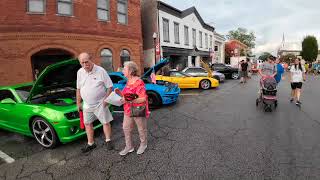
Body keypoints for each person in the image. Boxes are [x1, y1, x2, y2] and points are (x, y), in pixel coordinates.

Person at [76, 52, 114, 153]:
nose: (85, 65)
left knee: (105, 122)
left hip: (100, 103)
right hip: (87, 105)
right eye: (82, 63)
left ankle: (108, 140)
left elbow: (109, 87)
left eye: (86, 62)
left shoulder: (101, 71)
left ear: (91, 59)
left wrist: (106, 100)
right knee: (88, 123)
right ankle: (91, 143)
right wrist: (78, 102)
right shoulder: (80, 72)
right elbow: (78, 88)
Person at [118, 61, 150, 156]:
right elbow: (126, 95)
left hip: (138, 109)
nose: (123, 70)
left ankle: (143, 144)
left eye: (124, 68)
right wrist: (119, 94)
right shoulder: (128, 81)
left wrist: (129, 100)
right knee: (126, 128)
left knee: (141, 128)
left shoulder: (139, 82)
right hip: (128, 109)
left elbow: (143, 98)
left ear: (131, 70)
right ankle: (129, 147)